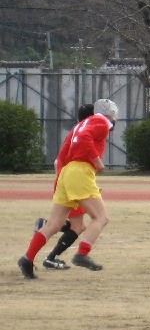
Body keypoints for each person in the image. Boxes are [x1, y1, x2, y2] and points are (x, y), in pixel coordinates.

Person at [18, 99, 118, 279]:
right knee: (101, 217)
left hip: (67, 173)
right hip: (80, 171)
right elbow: (85, 138)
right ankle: (82, 254)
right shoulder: (101, 121)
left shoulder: (81, 124)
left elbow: (76, 142)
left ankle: (27, 258)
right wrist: (97, 161)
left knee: (53, 225)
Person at [33, 103, 94, 270]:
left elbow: (58, 161)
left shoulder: (77, 131)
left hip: (66, 182)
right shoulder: (84, 134)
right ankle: (51, 257)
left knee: (74, 225)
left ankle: (46, 233)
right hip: (71, 184)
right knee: (78, 226)